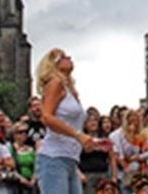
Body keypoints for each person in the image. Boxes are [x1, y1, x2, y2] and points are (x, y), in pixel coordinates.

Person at [34, 49, 93, 194]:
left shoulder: (69, 90)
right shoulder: (56, 83)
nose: (69, 58)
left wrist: (89, 141)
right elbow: (47, 117)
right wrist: (77, 135)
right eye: (63, 57)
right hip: (54, 157)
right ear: (53, 64)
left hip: (70, 158)